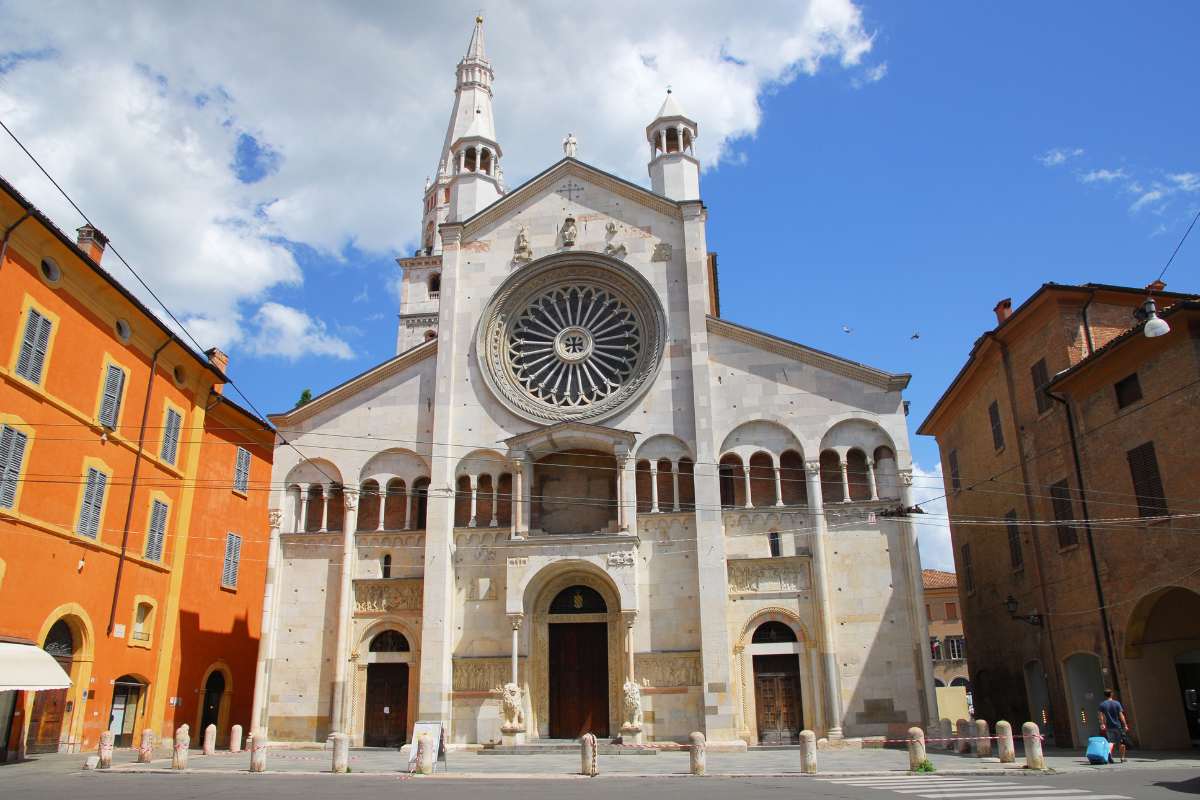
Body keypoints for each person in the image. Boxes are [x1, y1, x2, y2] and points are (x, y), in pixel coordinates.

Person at [1098, 689, 1130, 763]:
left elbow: (1100, 715)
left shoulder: (1102, 704)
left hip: (1109, 726)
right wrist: (1125, 725)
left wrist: (1102, 724)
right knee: (1121, 742)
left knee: (1111, 742)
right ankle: (1122, 758)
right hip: (1118, 726)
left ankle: (1110, 756)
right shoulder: (1117, 703)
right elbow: (1121, 715)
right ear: (1111, 694)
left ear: (1105, 695)